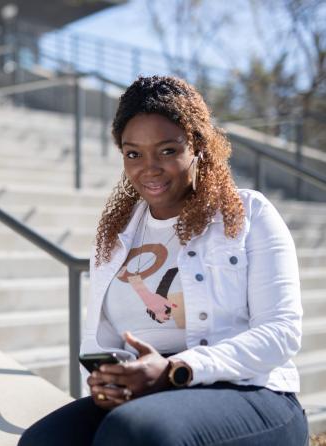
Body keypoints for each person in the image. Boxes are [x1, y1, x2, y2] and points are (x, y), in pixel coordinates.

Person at [18, 75, 309, 446]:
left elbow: (280, 334)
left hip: (252, 391)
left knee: (133, 433)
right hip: (153, 391)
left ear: (199, 146)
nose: (149, 167)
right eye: (133, 153)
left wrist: (175, 370)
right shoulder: (116, 234)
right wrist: (113, 379)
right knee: (44, 441)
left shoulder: (248, 213)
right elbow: (102, 340)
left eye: (167, 150)